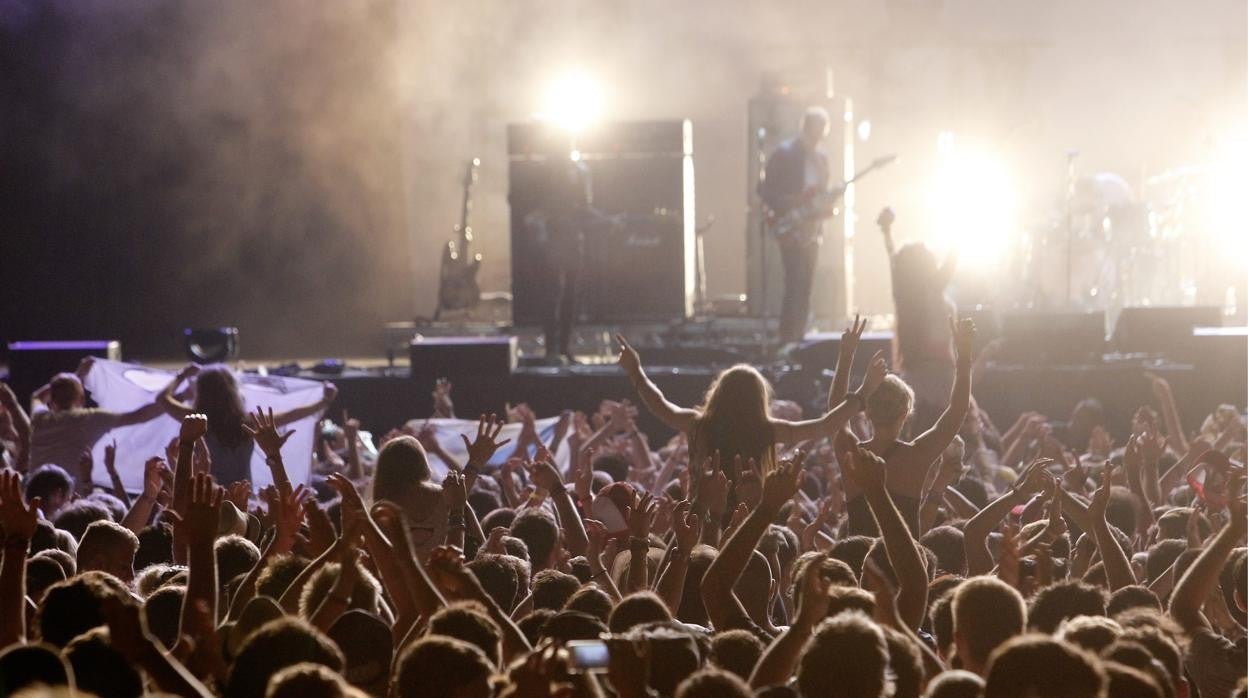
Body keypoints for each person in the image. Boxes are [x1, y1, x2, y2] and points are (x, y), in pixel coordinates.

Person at [618, 333, 886, 483]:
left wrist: (636, 372)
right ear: (759, 399)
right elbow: (826, 425)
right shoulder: (768, 431)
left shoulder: (699, 425)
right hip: (751, 522)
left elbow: (660, 406)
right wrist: (863, 392)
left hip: (703, 522)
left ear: (719, 394)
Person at [159, 363, 336, 486]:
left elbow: (162, 399)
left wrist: (182, 375)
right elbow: (292, 415)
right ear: (233, 391)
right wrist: (324, 401)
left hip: (207, 498)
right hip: (242, 501)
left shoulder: (196, 420)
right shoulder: (247, 423)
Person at [759, 106, 839, 345]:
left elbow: (821, 194)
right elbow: (764, 191)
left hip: (812, 228)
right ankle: (787, 336)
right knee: (794, 279)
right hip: (790, 226)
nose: (819, 137)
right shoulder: (784, 154)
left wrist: (830, 200)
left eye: (822, 132)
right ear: (806, 128)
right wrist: (791, 203)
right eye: (816, 131)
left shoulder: (822, 158)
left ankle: (799, 334)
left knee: (806, 282)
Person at [877, 207, 959, 430]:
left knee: (919, 432)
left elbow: (894, 261)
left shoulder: (906, 295)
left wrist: (886, 232)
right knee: (939, 434)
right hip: (938, 373)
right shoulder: (930, 290)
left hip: (919, 372)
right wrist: (958, 225)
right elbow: (952, 260)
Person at [27, 357, 169, 477]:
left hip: (34, 498)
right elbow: (140, 416)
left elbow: (37, 396)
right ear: (81, 399)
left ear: (51, 400)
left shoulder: (40, 418)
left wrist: (76, 375)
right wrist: (176, 399)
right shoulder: (90, 419)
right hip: (69, 500)